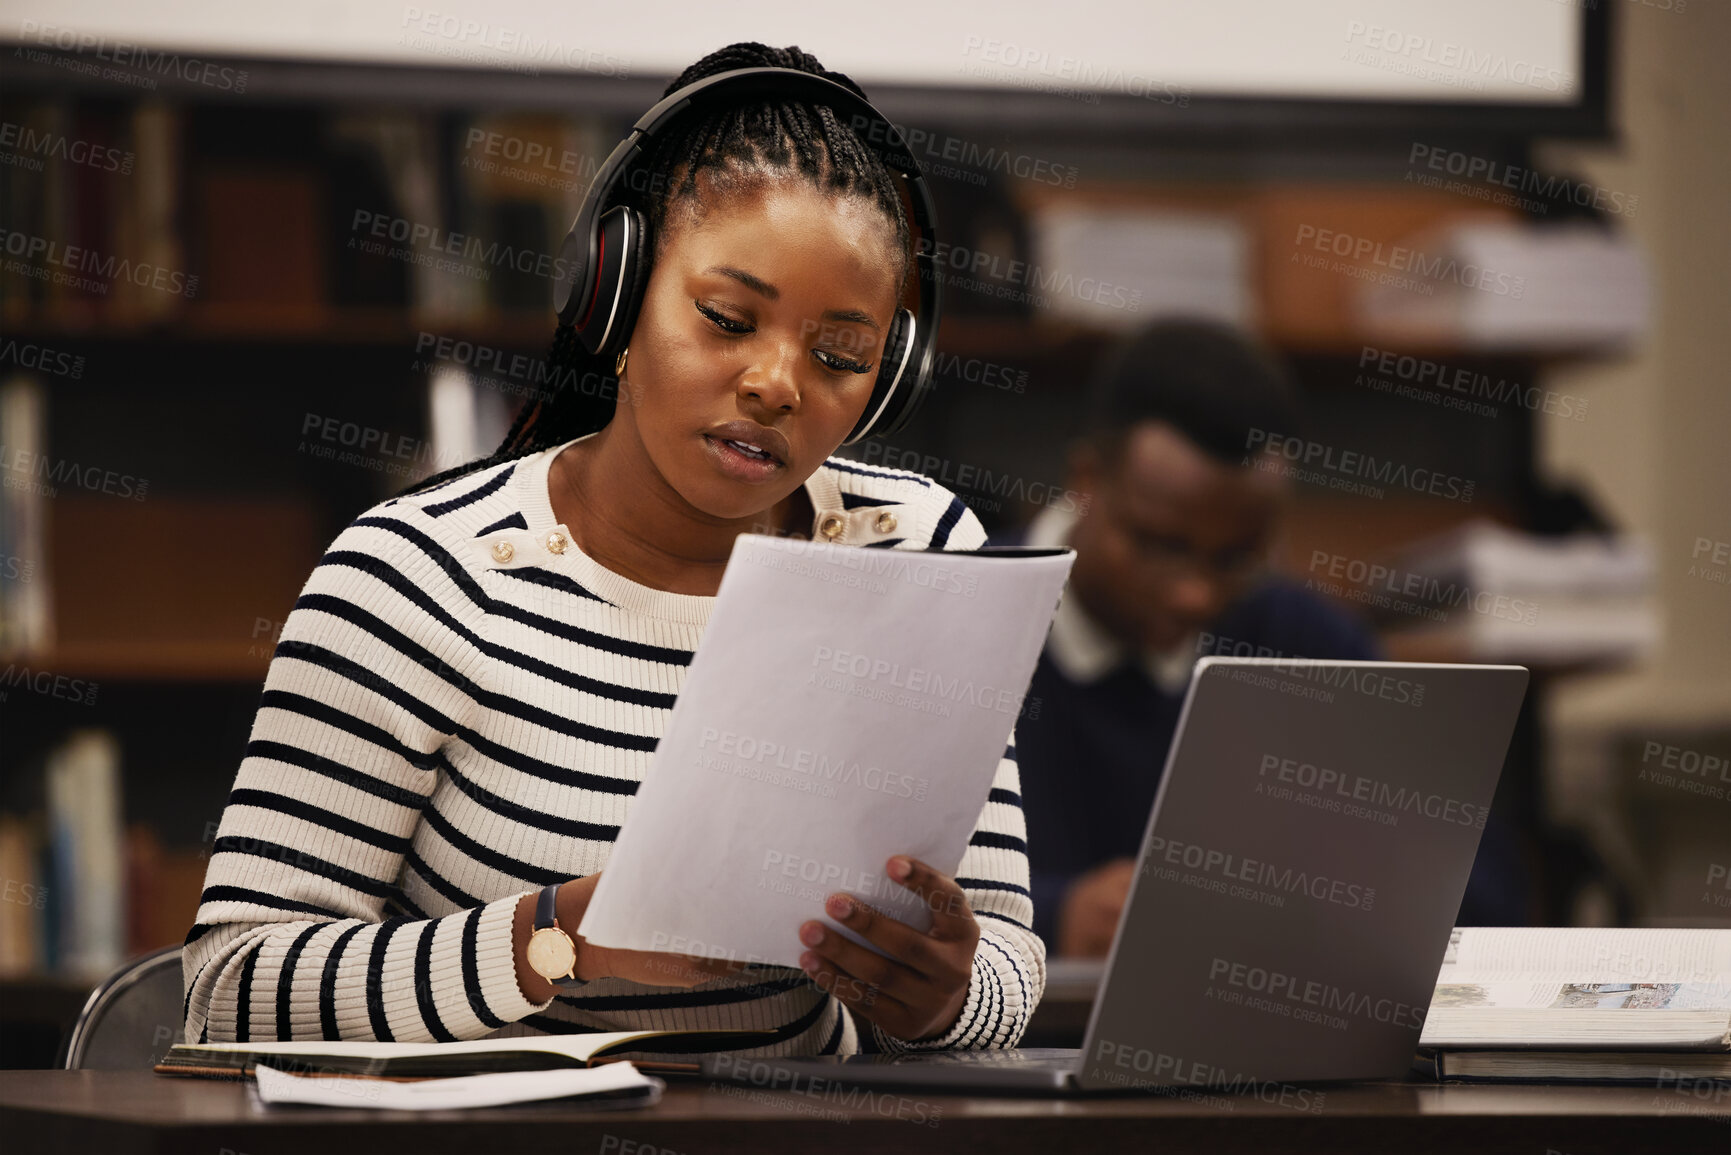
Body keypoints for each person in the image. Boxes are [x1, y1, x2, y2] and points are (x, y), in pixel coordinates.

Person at [182, 42, 1041, 1058]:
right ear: (616, 295)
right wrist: (560, 941)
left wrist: (943, 999)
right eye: (727, 318)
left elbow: (1007, 962)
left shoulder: (917, 552)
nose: (777, 383)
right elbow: (233, 987)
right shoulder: (417, 578)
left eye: (840, 355)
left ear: (886, 380)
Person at [991, 319, 1384, 957]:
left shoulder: (1303, 641)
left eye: (1235, 558)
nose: (1193, 594)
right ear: (1087, 483)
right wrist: (1050, 919)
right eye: (1160, 545)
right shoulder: (963, 610)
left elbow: (1475, 887)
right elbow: (859, 895)